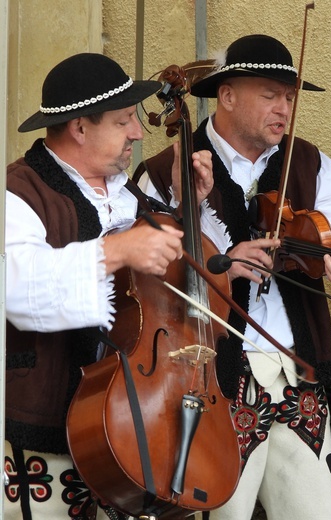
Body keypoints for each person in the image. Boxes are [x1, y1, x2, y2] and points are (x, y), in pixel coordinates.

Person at [134, 34, 331, 520]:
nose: (284, 108)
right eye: (270, 94)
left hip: (298, 372)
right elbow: (143, 278)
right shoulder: (165, 171)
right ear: (227, 95)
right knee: (224, 511)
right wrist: (220, 259)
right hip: (212, 377)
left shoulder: (311, 164)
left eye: (289, 97)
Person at [4, 53, 225, 519]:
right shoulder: (19, 192)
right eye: (124, 120)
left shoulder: (133, 200)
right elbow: (18, 290)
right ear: (80, 127)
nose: (138, 133)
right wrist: (117, 252)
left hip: (138, 430)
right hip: (46, 441)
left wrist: (188, 208)